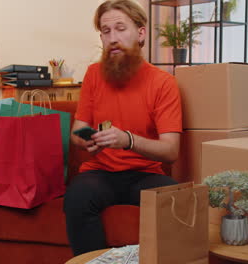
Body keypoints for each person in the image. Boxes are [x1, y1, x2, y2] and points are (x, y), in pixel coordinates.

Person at [63, 0, 182, 256]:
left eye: (120, 28)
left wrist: (128, 140)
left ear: (140, 33)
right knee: (77, 197)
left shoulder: (164, 83)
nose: (112, 38)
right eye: (106, 32)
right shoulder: (94, 74)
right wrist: (87, 140)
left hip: (145, 173)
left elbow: (171, 150)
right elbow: (77, 130)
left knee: (176, 199)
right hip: (100, 172)